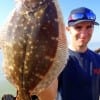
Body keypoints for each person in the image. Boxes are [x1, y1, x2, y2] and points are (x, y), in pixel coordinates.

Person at [57, 7, 100, 100]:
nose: (83, 34)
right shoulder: (58, 61)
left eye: (89, 27)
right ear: (68, 29)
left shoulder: (98, 59)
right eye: (78, 27)